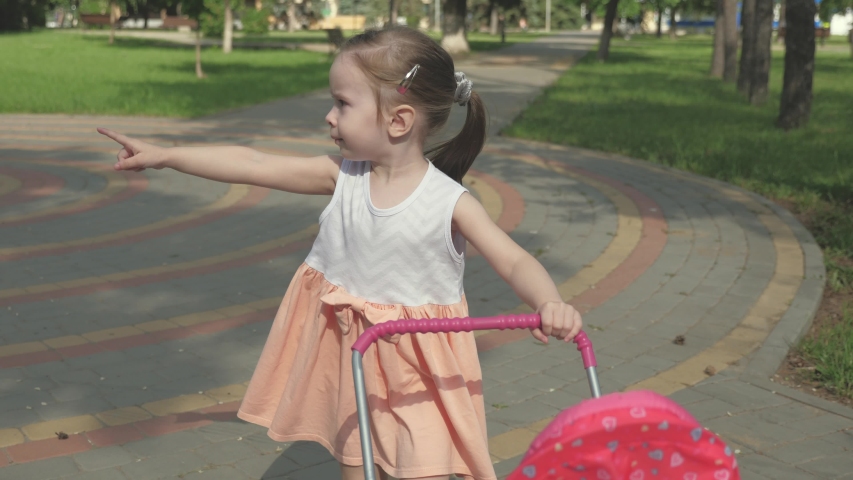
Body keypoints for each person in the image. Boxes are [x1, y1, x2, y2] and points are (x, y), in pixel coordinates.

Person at [97, 26, 582, 480]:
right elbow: (252, 162)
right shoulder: (343, 176)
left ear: (399, 120)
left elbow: (515, 259)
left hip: (420, 373)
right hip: (350, 362)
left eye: (342, 104)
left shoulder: (448, 202)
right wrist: (166, 155)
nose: (329, 116)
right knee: (359, 467)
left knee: (426, 467)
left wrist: (548, 302)